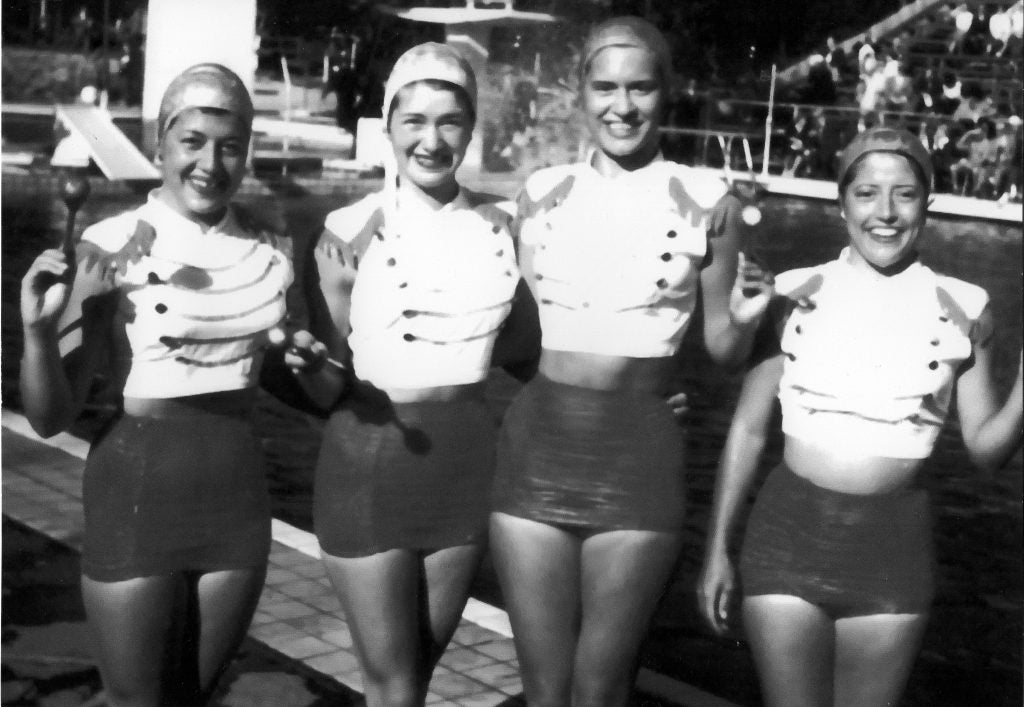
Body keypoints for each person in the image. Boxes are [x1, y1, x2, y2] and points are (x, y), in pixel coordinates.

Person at [489, 17, 773, 706]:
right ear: (579, 91)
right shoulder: (538, 194)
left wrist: (744, 319)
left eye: (640, 88)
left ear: (664, 92)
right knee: (545, 690)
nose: (623, 105)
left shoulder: (711, 204)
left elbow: (724, 351)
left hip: (639, 458)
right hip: (536, 448)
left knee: (600, 686)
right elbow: (516, 341)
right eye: (606, 86)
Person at [697, 127, 1023, 707]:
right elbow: (748, 431)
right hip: (787, 537)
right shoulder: (795, 292)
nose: (886, 213)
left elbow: (986, 449)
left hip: (894, 551)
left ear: (929, 202)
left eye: (905, 194)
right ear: (842, 201)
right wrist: (718, 546)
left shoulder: (967, 308)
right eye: (867, 193)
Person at [19, 64, 297, 705]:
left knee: (195, 698)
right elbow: (49, 417)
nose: (210, 162)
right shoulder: (106, 245)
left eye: (231, 145)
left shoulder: (271, 245)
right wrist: (36, 334)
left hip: (238, 500)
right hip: (136, 496)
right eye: (192, 141)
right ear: (161, 146)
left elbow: (288, 374)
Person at [285, 43, 534, 706]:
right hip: (370, 464)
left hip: (467, 467)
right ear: (388, 126)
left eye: (450, 121)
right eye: (414, 121)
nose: (432, 139)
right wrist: (330, 315)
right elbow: (330, 384)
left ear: (472, 127)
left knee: (415, 678)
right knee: (392, 686)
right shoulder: (343, 228)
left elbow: (531, 352)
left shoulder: (505, 226)